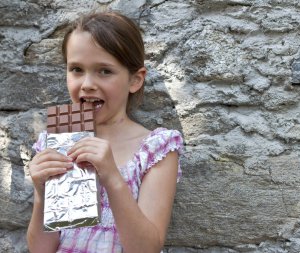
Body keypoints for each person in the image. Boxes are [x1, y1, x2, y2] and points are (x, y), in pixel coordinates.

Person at [27, 11, 184, 253]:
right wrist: (42, 193)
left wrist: (111, 176)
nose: (87, 83)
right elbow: (41, 249)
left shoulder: (155, 149)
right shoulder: (55, 142)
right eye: (77, 69)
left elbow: (146, 249)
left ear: (135, 80)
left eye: (104, 71)